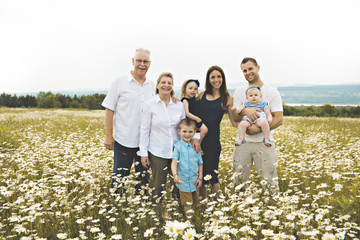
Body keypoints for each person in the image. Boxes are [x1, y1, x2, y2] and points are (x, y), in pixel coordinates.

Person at [102, 48, 154, 195]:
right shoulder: (120, 82)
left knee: (143, 181)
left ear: (150, 64)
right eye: (139, 60)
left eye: (145, 61)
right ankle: (117, 210)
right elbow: (109, 110)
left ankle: (142, 213)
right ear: (133, 61)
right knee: (119, 180)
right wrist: (108, 135)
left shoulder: (153, 86)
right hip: (123, 141)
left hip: (145, 144)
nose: (142, 64)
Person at [232, 57, 283, 195]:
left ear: (258, 68)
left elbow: (278, 119)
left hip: (264, 143)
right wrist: (244, 110)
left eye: (250, 69)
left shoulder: (271, 92)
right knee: (239, 182)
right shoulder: (239, 92)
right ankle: (239, 211)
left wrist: (258, 129)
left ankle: (274, 210)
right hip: (243, 144)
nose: (248, 72)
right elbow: (235, 118)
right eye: (244, 70)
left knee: (270, 183)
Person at [138, 72, 186, 216]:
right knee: (158, 187)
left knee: (178, 186)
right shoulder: (150, 104)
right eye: (163, 82)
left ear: (172, 86)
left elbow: (184, 127)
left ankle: (179, 216)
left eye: (169, 83)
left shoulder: (178, 105)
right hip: (158, 152)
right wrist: (143, 153)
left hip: (177, 152)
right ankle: (156, 219)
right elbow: (144, 129)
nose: (166, 85)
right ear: (157, 85)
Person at [198, 65, 236, 199]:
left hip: (213, 142)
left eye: (219, 76)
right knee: (200, 175)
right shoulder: (202, 95)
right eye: (213, 77)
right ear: (208, 79)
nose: (216, 80)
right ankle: (202, 206)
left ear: (223, 78)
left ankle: (218, 205)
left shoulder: (227, 98)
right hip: (199, 140)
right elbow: (190, 109)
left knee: (213, 176)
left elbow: (234, 122)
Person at [171, 118, 203, 219]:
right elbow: (174, 162)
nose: (187, 134)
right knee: (187, 203)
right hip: (183, 182)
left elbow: (200, 164)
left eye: (190, 132)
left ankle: (194, 218)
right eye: (184, 131)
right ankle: (190, 222)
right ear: (179, 132)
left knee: (195, 202)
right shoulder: (178, 147)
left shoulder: (196, 147)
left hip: (195, 181)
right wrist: (175, 175)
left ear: (194, 132)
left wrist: (200, 178)